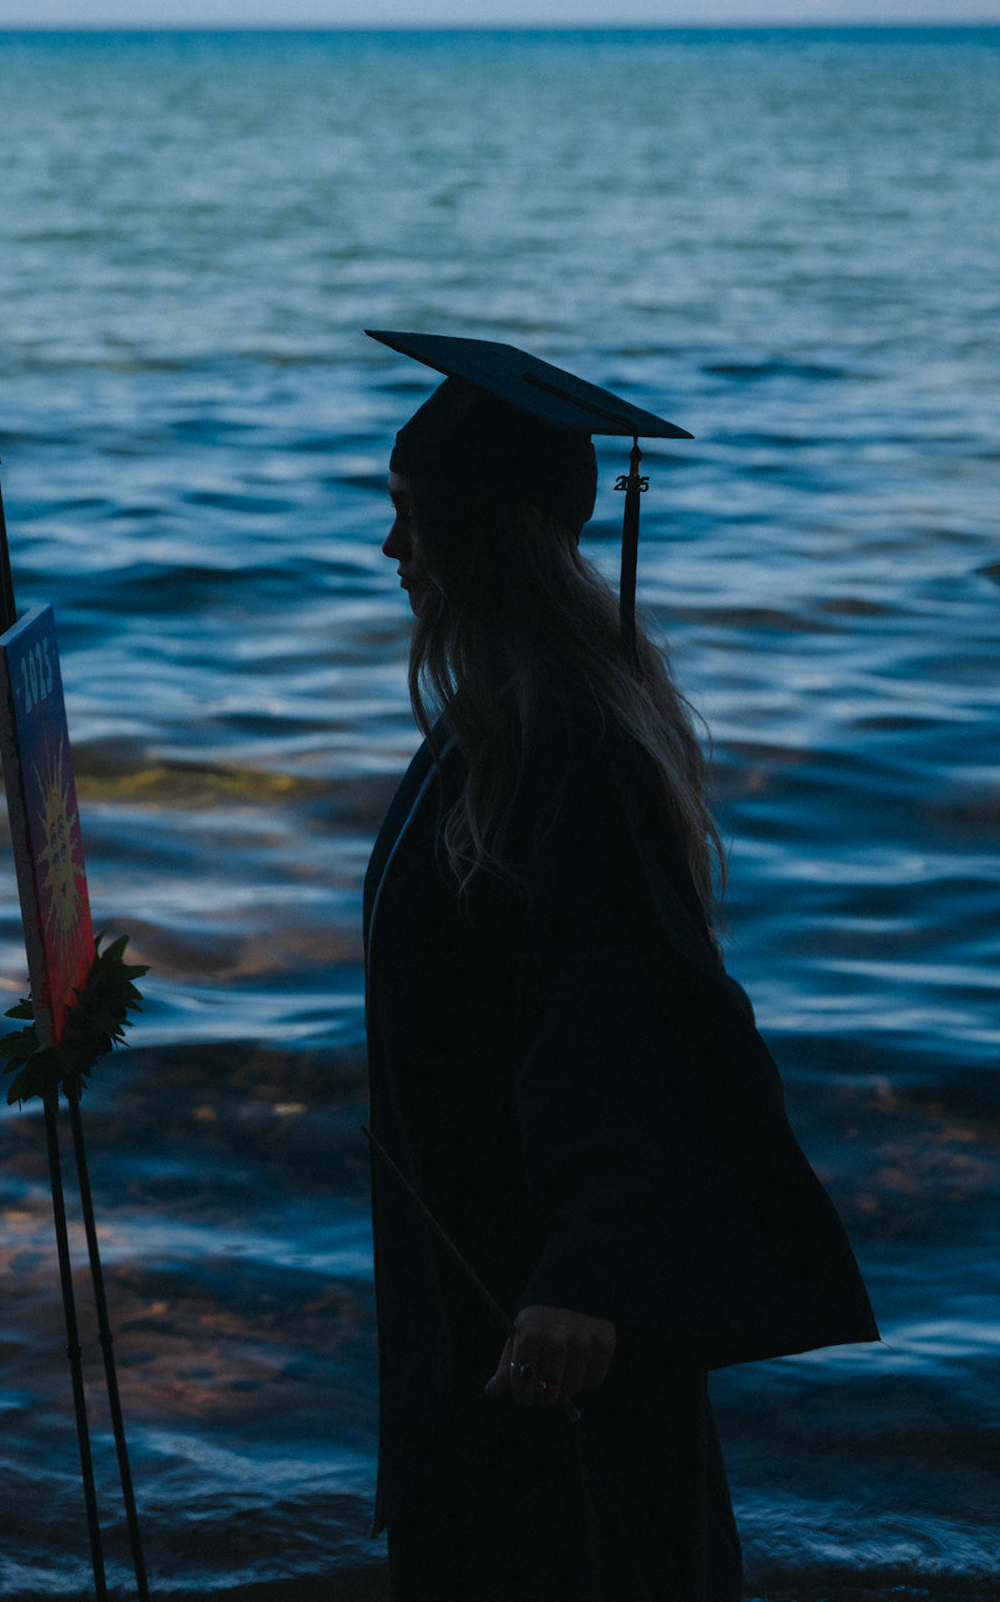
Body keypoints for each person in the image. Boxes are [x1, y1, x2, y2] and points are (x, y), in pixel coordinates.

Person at [362, 336, 877, 1602]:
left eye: (412, 520)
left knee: (576, 1551)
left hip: (542, 1302)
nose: (391, 553)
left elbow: (635, 1016)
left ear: (501, 530)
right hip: (470, 1260)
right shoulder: (493, 725)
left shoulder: (568, 749)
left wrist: (585, 1275)